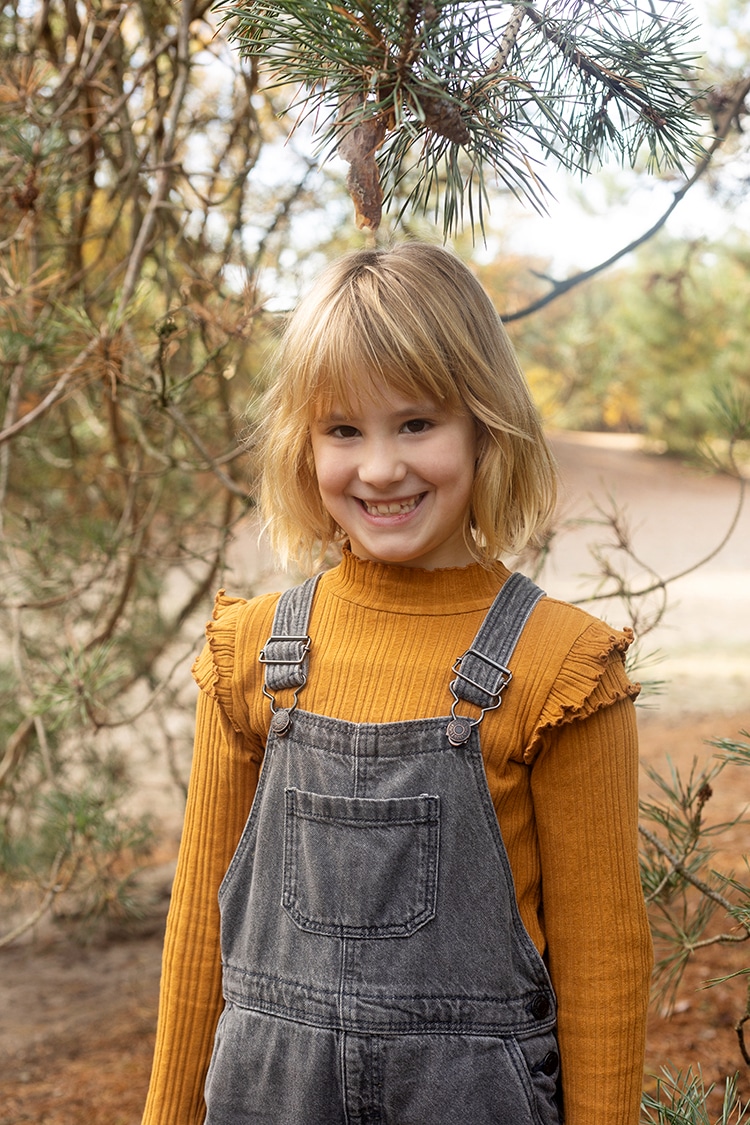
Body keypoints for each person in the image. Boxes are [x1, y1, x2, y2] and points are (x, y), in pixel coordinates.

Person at [141, 242, 652, 1125]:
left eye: (416, 423)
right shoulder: (251, 651)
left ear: (485, 424)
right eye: (343, 429)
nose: (379, 468)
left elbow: (604, 959)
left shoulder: (560, 668)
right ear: (304, 445)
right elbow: (198, 933)